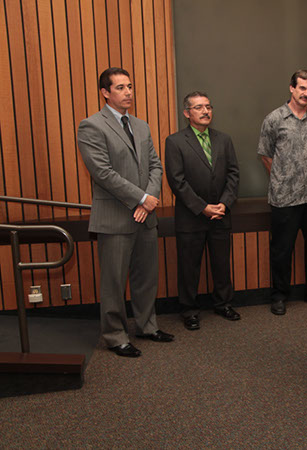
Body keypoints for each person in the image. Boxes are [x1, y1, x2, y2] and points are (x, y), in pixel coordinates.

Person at [77, 67, 173, 358]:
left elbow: (156, 165)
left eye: (130, 86)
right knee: (114, 282)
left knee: (146, 277)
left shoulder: (142, 126)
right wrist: (141, 198)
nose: (128, 92)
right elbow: (102, 173)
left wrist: (151, 197)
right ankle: (115, 335)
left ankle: (147, 325)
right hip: (115, 218)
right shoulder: (91, 125)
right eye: (120, 87)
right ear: (105, 92)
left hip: (146, 216)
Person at [257, 69, 307, 315]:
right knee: (282, 250)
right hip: (284, 198)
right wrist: (282, 177)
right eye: (302, 88)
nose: (306, 94)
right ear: (292, 88)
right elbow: (265, 153)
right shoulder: (275, 119)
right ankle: (279, 295)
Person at [165, 92, 240, 331]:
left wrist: (224, 204)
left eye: (208, 106)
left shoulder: (224, 139)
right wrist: (202, 208)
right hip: (191, 216)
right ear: (187, 113)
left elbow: (233, 174)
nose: (206, 111)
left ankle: (223, 303)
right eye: (199, 108)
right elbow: (177, 182)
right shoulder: (175, 142)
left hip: (220, 213)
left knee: (221, 264)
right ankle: (189, 310)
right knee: (189, 267)